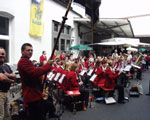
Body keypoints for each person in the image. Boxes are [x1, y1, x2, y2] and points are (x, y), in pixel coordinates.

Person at [17, 43, 54, 120]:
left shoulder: (27, 61)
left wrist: (40, 92)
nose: (30, 52)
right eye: (28, 50)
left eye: (31, 50)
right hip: (31, 95)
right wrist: (47, 65)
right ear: (22, 51)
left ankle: (51, 113)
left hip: (35, 92)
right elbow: (34, 73)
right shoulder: (23, 61)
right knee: (36, 116)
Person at [0, 47, 16, 120]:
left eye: (2, 54)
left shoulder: (7, 66)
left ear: (5, 55)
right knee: (1, 115)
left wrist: (8, 75)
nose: (1, 55)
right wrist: (11, 80)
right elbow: (2, 78)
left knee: (7, 115)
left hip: (7, 93)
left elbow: (14, 75)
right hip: (0, 93)